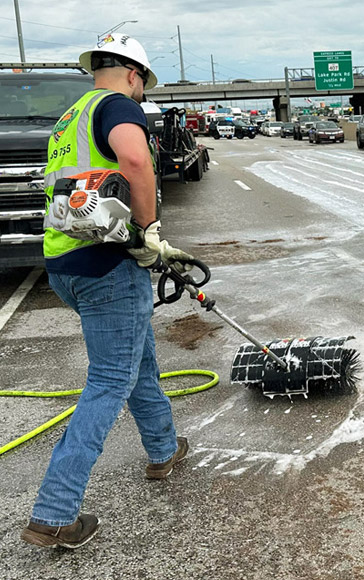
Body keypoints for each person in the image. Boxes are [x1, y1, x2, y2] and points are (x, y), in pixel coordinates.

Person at [21, 33, 193, 549]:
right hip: (107, 268)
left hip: (64, 264)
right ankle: (54, 514)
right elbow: (136, 163)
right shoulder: (118, 105)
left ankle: (163, 450)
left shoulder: (67, 118)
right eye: (142, 86)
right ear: (134, 75)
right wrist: (151, 231)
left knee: (137, 360)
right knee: (109, 381)